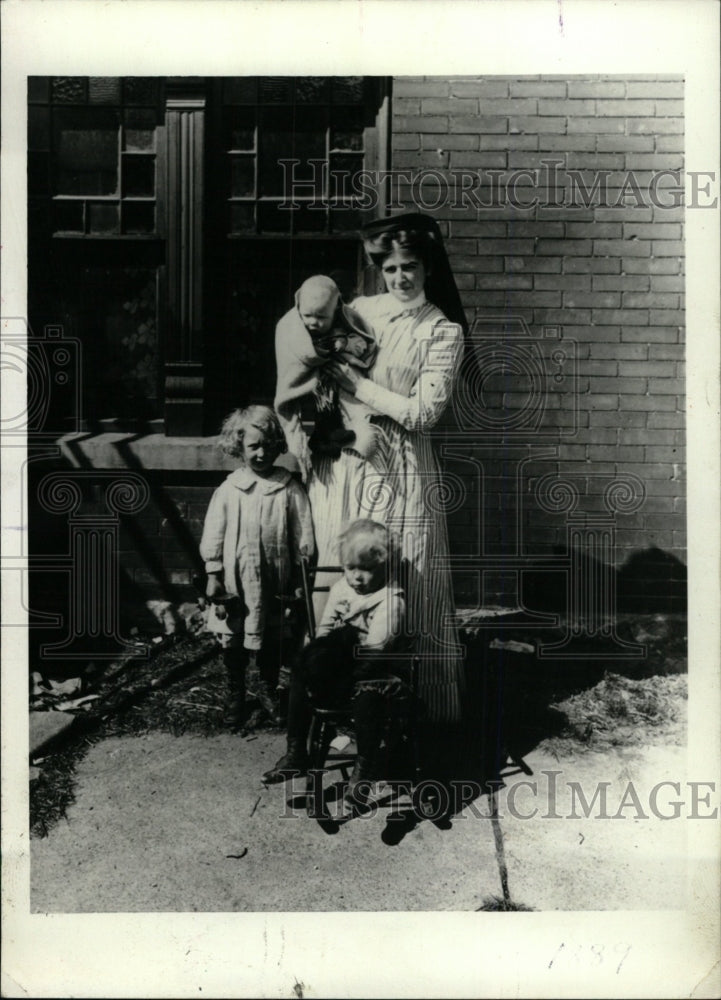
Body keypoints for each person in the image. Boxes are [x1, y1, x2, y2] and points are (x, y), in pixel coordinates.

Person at [307, 213, 468, 729]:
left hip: (405, 469)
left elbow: (423, 414)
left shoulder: (442, 331)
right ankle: (345, 713)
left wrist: (358, 383)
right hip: (355, 458)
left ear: (428, 269)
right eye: (391, 267)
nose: (401, 278)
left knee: (409, 580)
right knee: (349, 579)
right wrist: (354, 427)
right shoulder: (360, 312)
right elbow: (311, 350)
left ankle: (418, 715)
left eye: (411, 267)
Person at [262, 519, 411, 810]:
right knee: (302, 670)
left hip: (378, 668)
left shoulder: (391, 600)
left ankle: (365, 769)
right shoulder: (342, 589)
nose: (356, 577)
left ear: (383, 566)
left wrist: (335, 668)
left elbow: (377, 649)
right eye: (350, 568)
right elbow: (325, 630)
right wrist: (315, 662)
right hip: (344, 662)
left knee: (368, 695)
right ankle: (296, 752)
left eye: (366, 569)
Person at [199, 405, 315, 729]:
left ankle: (266, 687)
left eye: (267, 445)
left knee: (272, 636)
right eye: (253, 446)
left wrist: (298, 573)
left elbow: (302, 533)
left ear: (278, 445)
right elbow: (214, 533)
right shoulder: (228, 490)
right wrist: (213, 574)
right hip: (235, 582)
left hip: (273, 580)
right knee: (233, 636)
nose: (261, 453)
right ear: (239, 447)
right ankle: (235, 690)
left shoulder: (288, 488)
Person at [274, 274, 388, 482]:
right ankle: (316, 439)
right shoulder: (292, 328)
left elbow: (362, 343)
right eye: (307, 315)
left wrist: (345, 344)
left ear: (335, 310)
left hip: (336, 384)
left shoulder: (344, 325)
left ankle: (337, 433)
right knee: (314, 410)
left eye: (321, 317)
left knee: (338, 407)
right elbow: (293, 356)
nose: (313, 323)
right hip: (310, 385)